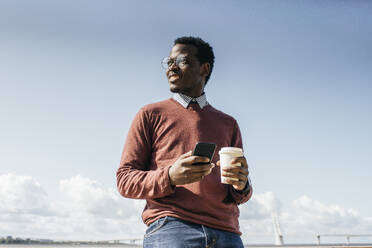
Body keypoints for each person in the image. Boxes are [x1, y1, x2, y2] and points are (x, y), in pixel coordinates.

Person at [117, 36, 252, 248]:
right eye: (169, 62)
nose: (172, 67)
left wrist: (242, 184)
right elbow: (125, 181)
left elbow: (239, 194)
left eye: (182, 61)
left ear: (204, 68)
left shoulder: (229, 123)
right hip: (172, 227)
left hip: (227, 233)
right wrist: (170, 176)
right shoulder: (149, 114)